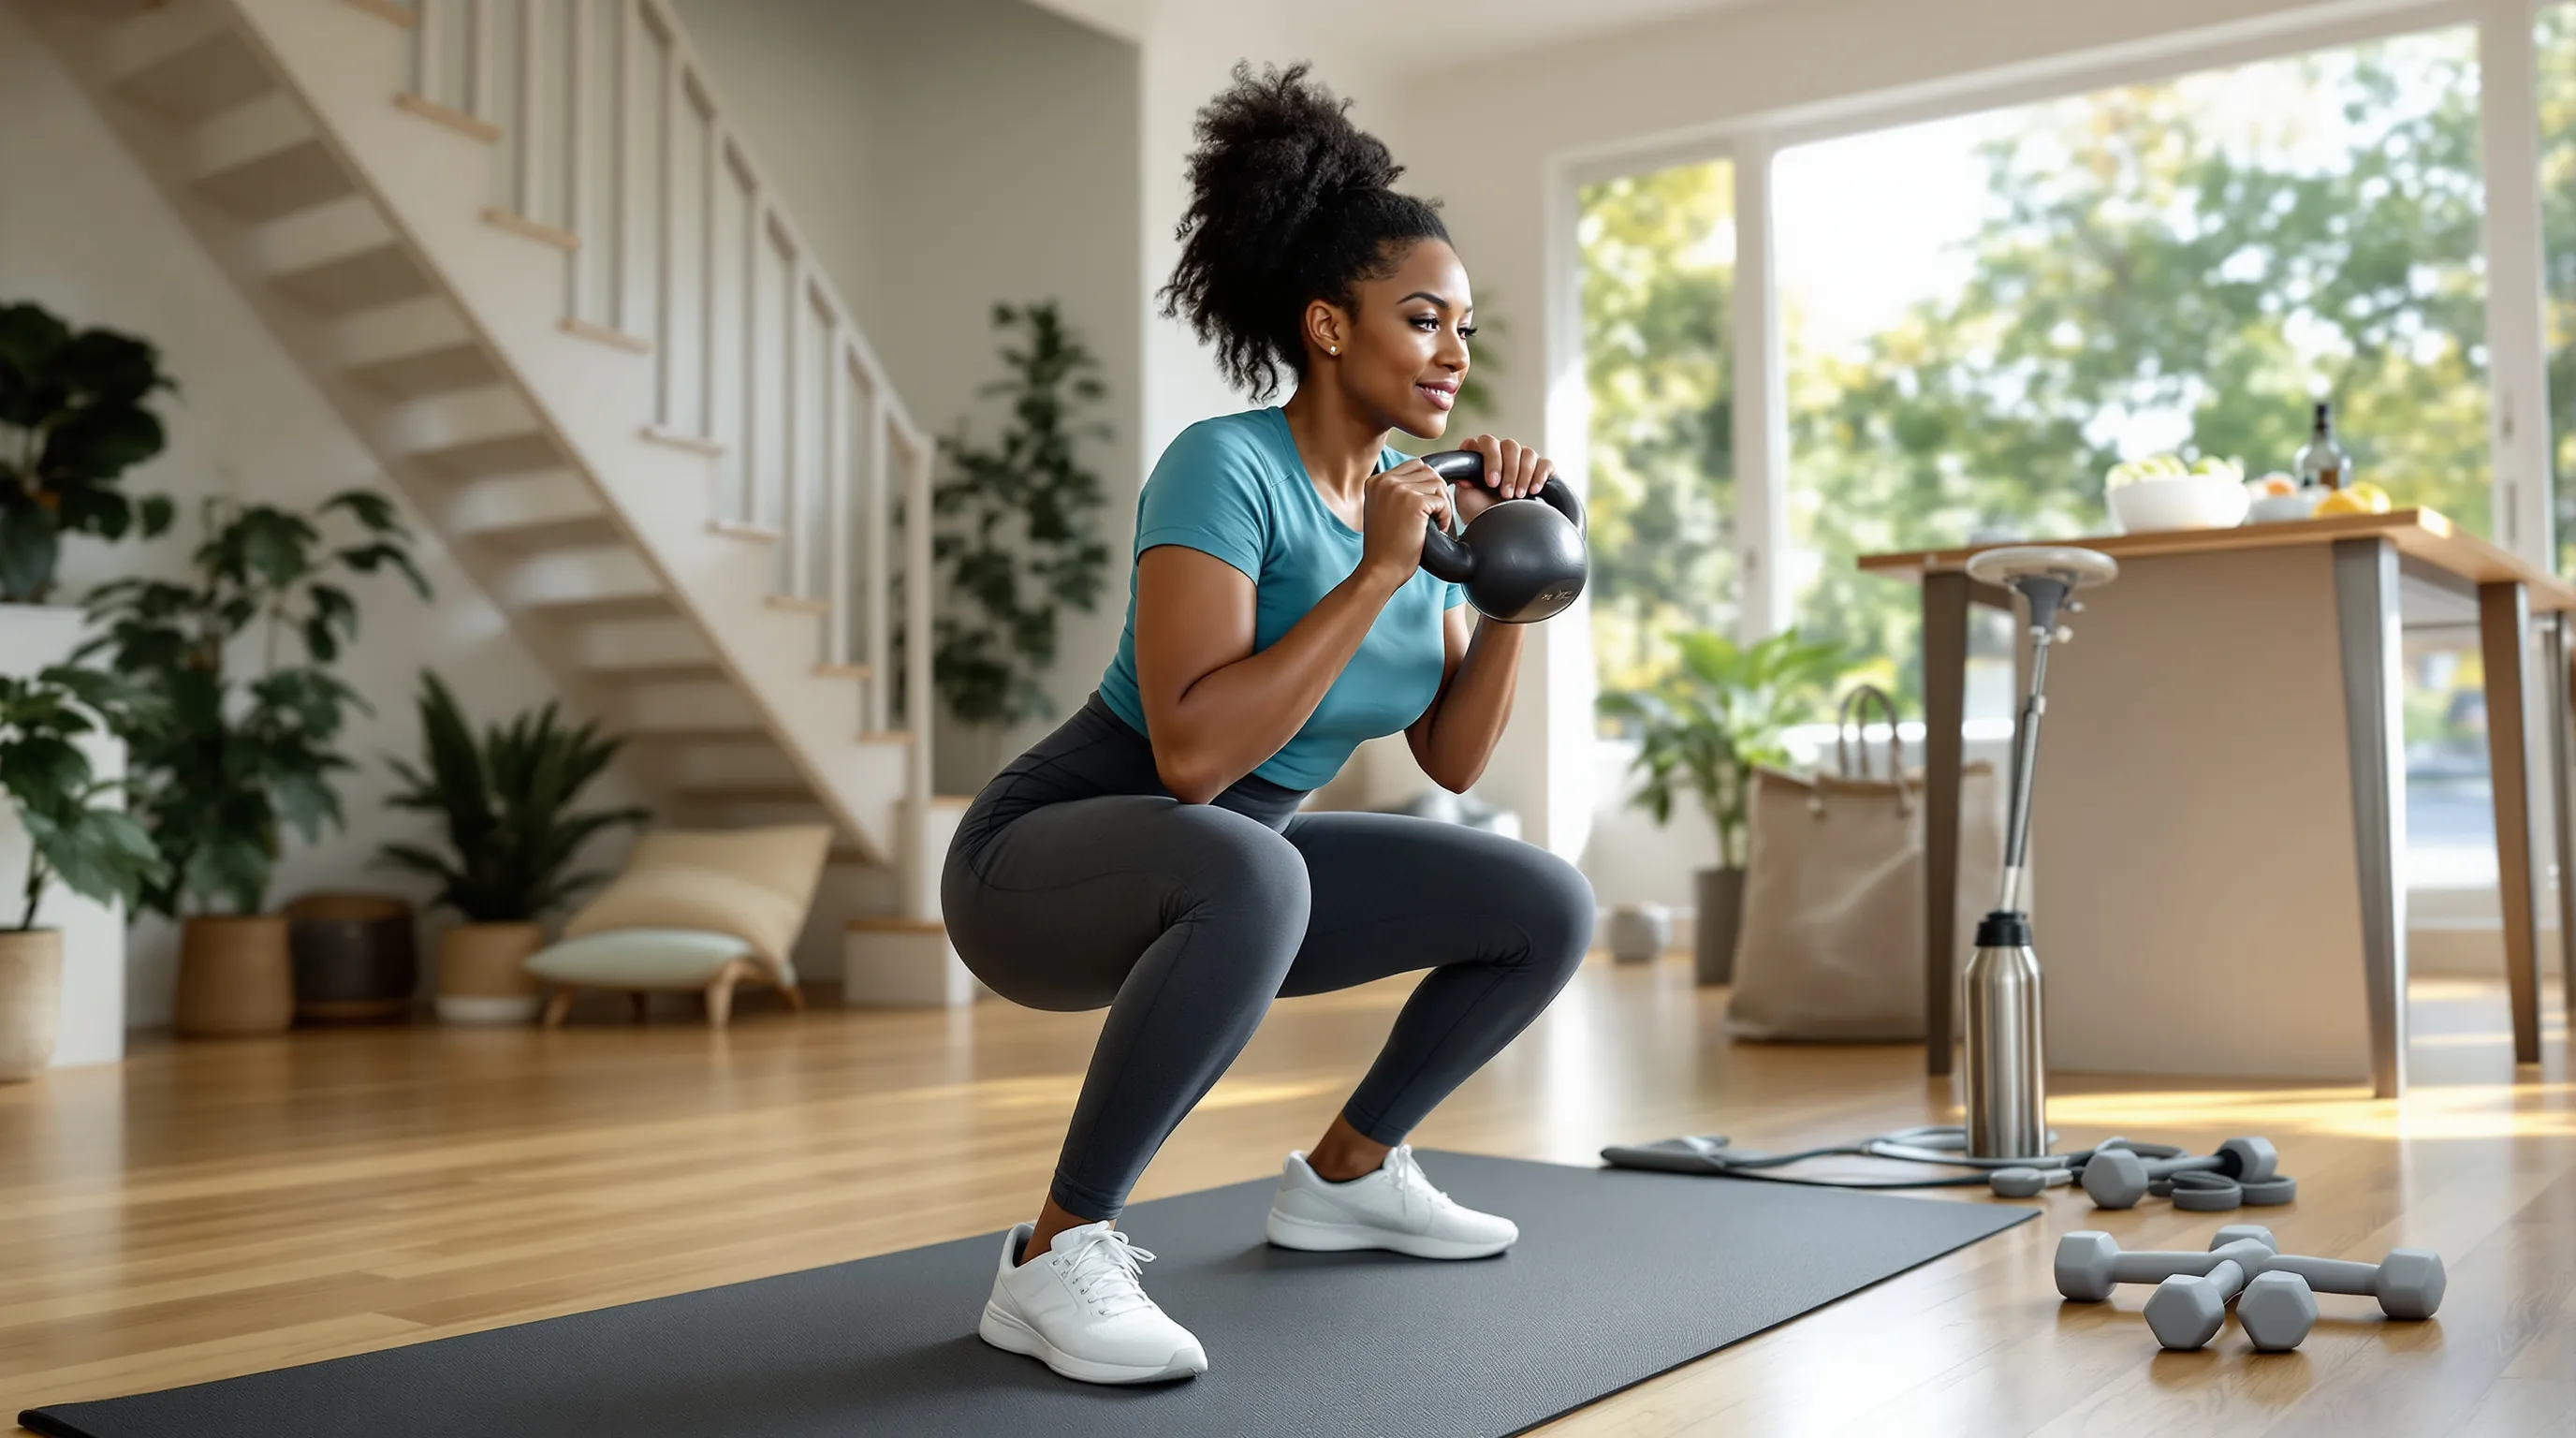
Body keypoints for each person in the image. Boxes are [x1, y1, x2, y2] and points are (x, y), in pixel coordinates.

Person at [942, 61, 1596, 1387]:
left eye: (1466, 327)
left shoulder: (1424, 519)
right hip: (1046, 859)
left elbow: (1453, 759)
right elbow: (1191, 757)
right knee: (1250, 856)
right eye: (1423, 319)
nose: (1456, 355)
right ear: (1327, 326)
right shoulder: (1224, 465)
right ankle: (1053, 1257)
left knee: (1544, 903)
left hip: (1249, 873)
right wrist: (1373, 570)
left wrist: (1510, 584)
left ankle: (1349, 1177)